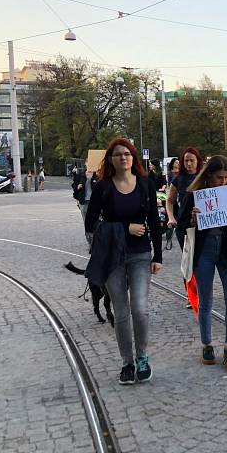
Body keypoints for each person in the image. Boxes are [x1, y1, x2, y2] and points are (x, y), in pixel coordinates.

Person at [85, 138, 162, 384]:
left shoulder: (145, 185)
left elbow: (154, 222)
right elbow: (91, 224)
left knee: (139, 308)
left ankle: (142, 358)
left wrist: (158, 255)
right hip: (112, 256)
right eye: (118, 155)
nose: (123, 158)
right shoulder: (103, 188)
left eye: (127, 154)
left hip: (140, 254)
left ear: (133, 158)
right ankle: (127, 362)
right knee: (120, 312)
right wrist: (124, 228)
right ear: (111, 159)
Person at [178, 155, 227, 369]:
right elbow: (180, 225)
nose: (223, 182)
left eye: (226, 178)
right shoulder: (193, 195)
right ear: (208, 176)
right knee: (205, 300)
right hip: (204, 250)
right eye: (218, 178)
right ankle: (206, 344)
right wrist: (192, 221)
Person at [166, 148, 201, 251]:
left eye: (192, 160)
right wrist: (171, 218)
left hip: (202, 225)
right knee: (188, 260)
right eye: (186, 161)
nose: (189, 163)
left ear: (197, 161)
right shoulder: (178, 179)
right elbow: (170, 201)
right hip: (184, 225)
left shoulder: (205, 178)